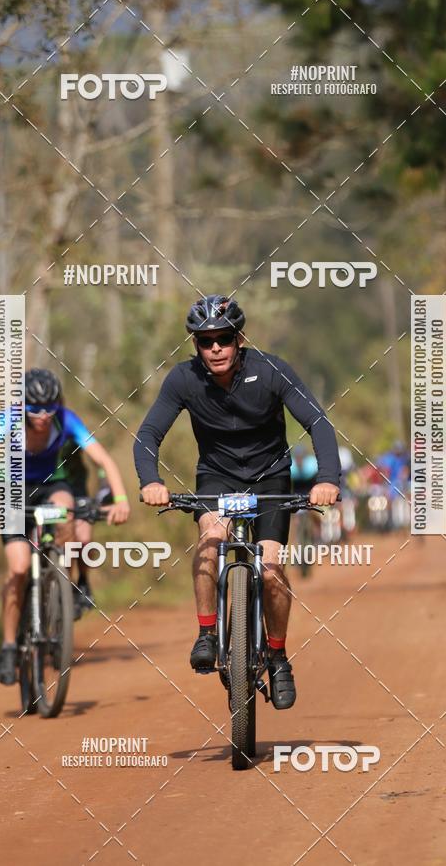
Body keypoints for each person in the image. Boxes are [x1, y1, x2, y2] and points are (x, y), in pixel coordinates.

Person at [134, 295, 340, 709]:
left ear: (239, 339)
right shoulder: (183, 379)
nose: (215, 348)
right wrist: (150, 481)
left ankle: (279, 657)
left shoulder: (271, 370)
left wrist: (328, 479)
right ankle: (208, 633)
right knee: (211, 537)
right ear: (194, 344)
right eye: (205, 340)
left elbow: (318, 422)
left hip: (270, 479)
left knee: (270, 567)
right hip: (217, 477)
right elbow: (148, 434)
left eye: (224, 339)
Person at [0, 368, 130, 685]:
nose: (43, 415)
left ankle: (61, 582)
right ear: (23, 406)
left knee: (67, 513)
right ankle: (8, 645)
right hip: (13, 491)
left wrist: (122, 499)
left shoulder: (66, 420)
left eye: (49, 407)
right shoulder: (9, 419)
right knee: (17, 570)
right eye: (34, 408)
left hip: (50, 487)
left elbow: (104, 460)